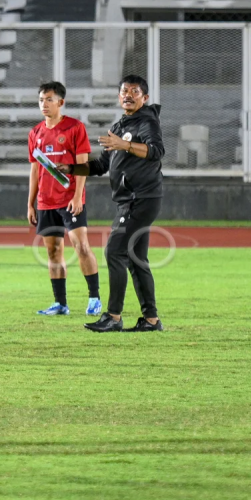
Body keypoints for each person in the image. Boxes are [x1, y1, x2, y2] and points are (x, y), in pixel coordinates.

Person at [57, 75, 165, 332]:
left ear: (145, 98)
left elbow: (157, 151)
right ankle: (151, 320)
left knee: (114, 251)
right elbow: (101, 166)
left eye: (135, 91)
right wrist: (72, 168)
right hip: (133, 200)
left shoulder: (147, 121)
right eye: (124, 91)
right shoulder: (119, 127)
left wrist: (125, 145)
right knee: (137, 259)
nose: (128, 94)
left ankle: (113, 317)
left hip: (140, 199)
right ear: (118, 97)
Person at [27, 81, 101, 317]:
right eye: (41, 99)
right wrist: (30, 202)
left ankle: (94, 298)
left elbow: (82, 166)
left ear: (61, 102)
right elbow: (35, 170)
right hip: (45, 201)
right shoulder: (35, 133)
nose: (44, 104)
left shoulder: (74, 128)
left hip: (70, 200)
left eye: (49, 99)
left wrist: (78, 196)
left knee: (81, 246)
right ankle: (60, 304)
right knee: (53, 251)